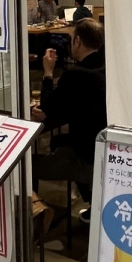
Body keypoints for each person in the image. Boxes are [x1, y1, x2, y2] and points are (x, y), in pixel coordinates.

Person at [31, 18, 106, 221]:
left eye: (71, 38)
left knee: (28, 165)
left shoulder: (76, 74)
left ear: (77, 41)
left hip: (85, 157)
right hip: (101, 148)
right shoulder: (106, 66)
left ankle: (37, 219)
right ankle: (93, 201)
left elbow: (46, 109)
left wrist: (48, 72)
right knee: (57, 141)